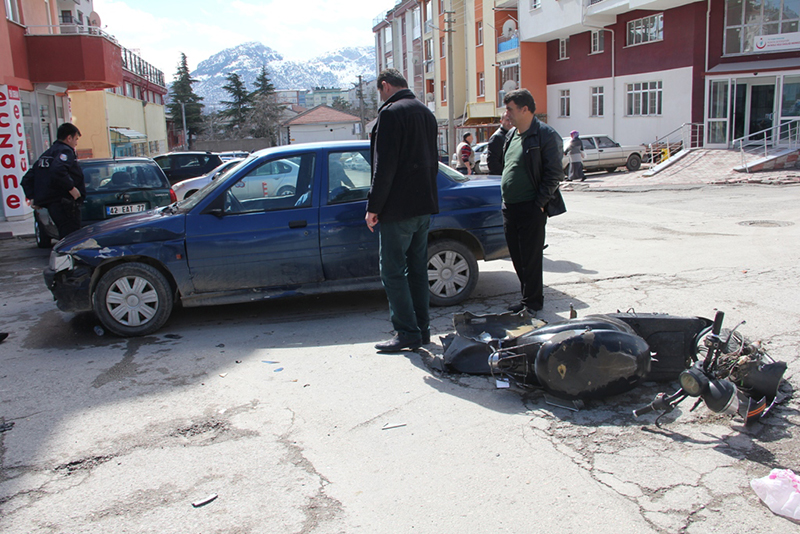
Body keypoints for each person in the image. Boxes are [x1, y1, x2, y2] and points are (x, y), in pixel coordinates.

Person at [365, 68, 440, 352]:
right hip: (424, 207)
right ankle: (422, 330)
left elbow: (384, 167)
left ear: (384, 86)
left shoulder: (391, 113)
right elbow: (433, 161)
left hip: (398, 210)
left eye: (380, 91)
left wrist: (374, 207)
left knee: (393, 272)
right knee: (418, 270)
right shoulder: (426, 113)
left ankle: (406, 331)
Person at [500, 89, 564, 315]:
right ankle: (526, 298)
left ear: (525, 109)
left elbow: (555, 173)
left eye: (510, 109)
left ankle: (533, 303)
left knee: (531, 257)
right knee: (517, 256)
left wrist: (539, 203)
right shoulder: (511, 135)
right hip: (510, 207)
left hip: (531, 206)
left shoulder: (545, 135)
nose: (506, 113)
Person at [25, 123, 85, 239]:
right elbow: (58, 170)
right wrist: (71, 188)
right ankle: (67, 256)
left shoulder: (47, 154)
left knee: (64, 235)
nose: (76, 143)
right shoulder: (65, 151)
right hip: (65, 204)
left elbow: (27, 178)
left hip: (54, 205)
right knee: (72, 237)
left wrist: (33, 196)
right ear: (69, 138)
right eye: (76, 139)